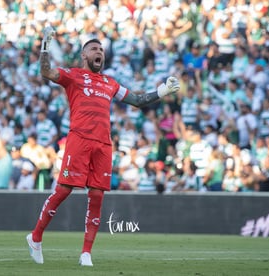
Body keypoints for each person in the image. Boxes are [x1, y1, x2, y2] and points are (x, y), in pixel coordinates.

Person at [26, 27, 180, 266]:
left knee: (96, 196)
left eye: (101, 50)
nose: (99, 52)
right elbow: (46, 71)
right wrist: (45, 46)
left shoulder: (110, 83)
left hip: (103, 144)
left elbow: (137, 101)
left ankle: (86, 253)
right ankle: (35, 237)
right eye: (94, 49)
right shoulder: (74, 75)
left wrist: (162, 91)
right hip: (79, 140)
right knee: (64, 190)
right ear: (84, 55)